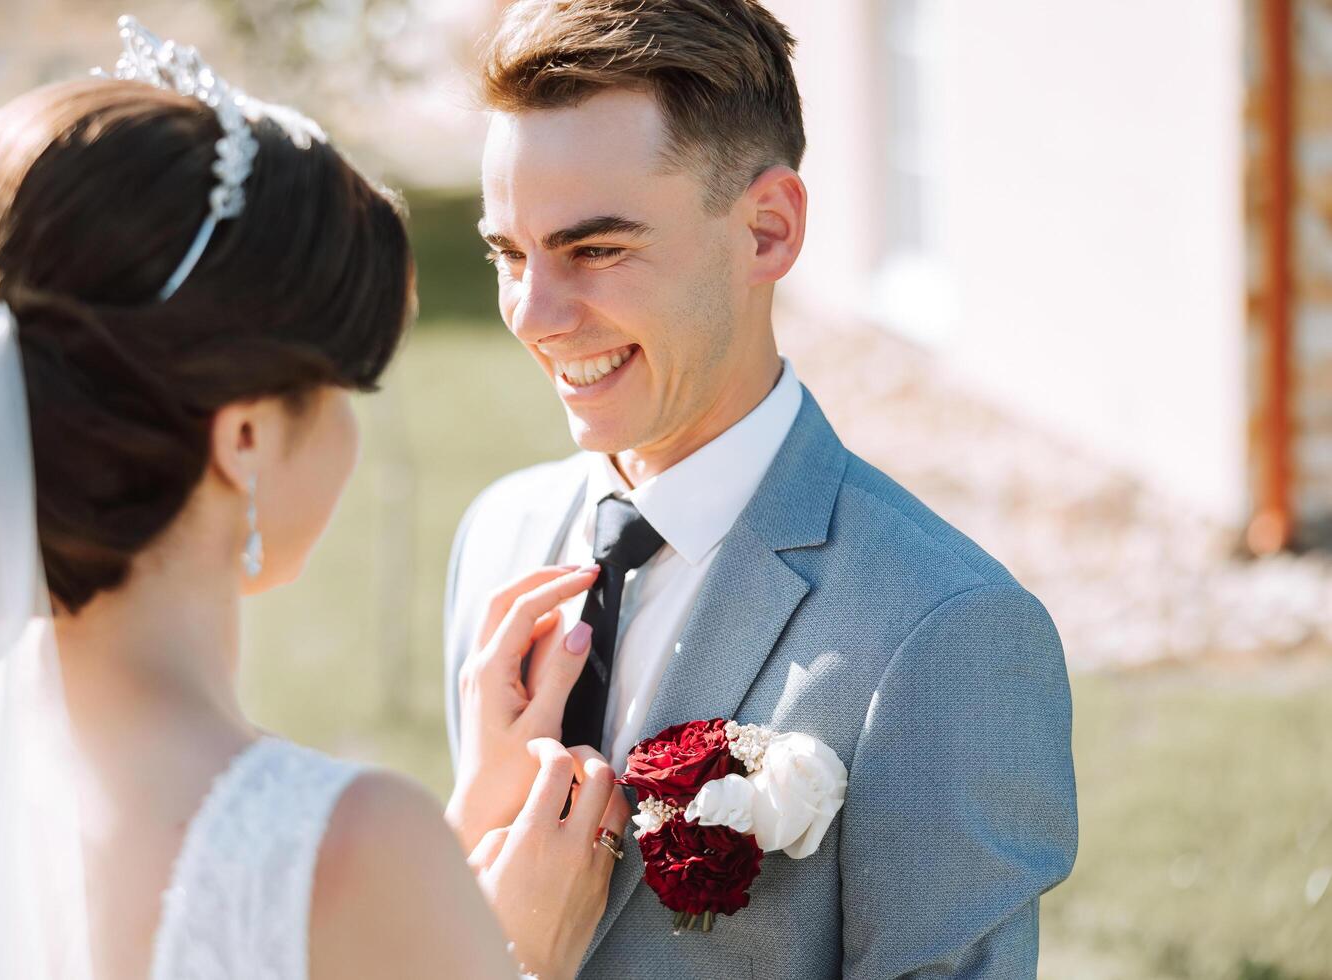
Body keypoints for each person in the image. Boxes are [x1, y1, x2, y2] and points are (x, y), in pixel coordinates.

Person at [0, 18, 624, 980]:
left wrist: (468, 818)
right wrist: (520, 954)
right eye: (350, 389)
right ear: (249, 436)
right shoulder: (352, 853)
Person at [442, 1, 1079, 976]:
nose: (535, 316)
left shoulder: (945, 629)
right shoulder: (498, 533)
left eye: (596, 248)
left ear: (769, 229)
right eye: (509, 253)